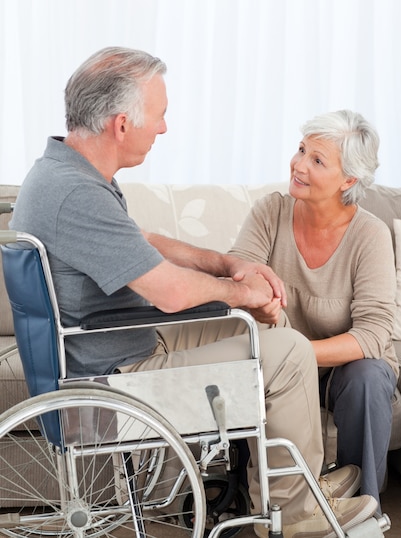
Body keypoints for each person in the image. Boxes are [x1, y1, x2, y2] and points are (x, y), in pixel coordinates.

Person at [11, 48, 377, 538]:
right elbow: (170, 293)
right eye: (159, 115)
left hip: (117, 347)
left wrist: (229, 264)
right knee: (287, 351)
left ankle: (295, 484)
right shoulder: (76, 192)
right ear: (122, 124)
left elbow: (140, 240)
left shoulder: (66, 173)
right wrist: (241, 291)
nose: (163, 127)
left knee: (270, 327)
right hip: (114, 379)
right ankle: (293, 512)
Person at [229, 109, 399, 512]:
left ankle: (362, 506)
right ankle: (273, 500)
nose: (298, 164)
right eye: (301, 150)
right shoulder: (271, 211)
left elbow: (373, 334)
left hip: (340, 368)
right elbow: (239, 270)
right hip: (276, 366)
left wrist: (297, 354)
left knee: (369, 377)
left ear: (349, 180)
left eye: (317, 160)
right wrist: (254, 291)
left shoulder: (370, 235)